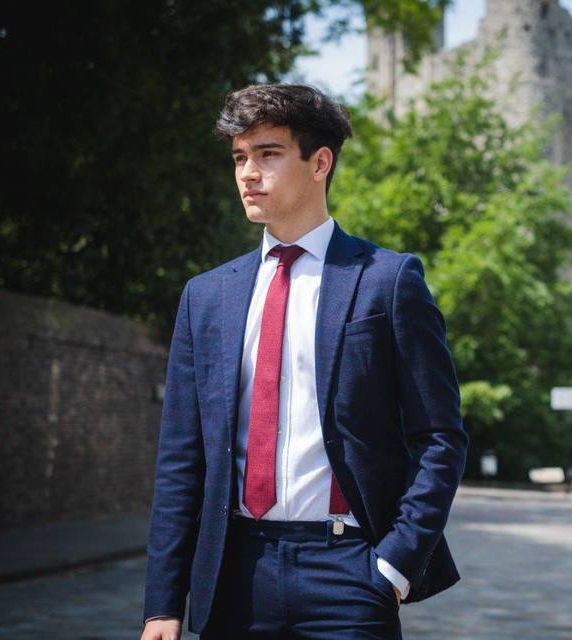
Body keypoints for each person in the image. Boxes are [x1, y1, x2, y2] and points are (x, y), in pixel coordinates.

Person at [140, 83, 468, 639]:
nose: (247, 172)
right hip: (235, 575)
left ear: (320, 163)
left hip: (349, 574)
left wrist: (392, 565)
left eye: (268, 154)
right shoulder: (207, 295)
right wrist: (163, 604)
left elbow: (441, 436)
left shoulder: (387, 281)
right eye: (239, 157)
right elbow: (182, 458)